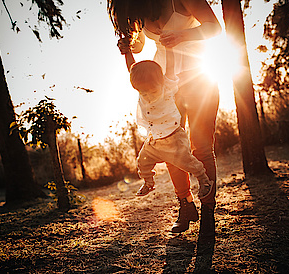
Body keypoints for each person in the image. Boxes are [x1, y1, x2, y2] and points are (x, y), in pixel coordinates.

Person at [108, 0, 221, 239]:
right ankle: (186, 205)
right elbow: (138, 46)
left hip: (198, 77)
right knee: (169, 143)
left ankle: (208, 212)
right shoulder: (142, 8)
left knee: (201, 146)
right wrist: (127, 45)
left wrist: (182, 35)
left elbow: (214, 27)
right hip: (164, 84)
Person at [122, 43, 213, 207]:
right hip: (153, 141)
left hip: (174, 138)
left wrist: (169, 48)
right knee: (142, 162)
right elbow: (132, 69)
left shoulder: (167, 86)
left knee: (189, 163)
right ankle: (149, 183)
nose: (147, 94)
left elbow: (170, 68)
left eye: (151, 90)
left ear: (162, 81)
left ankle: (204, 180)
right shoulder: (143, 88)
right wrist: (127, 52)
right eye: (143, 92)